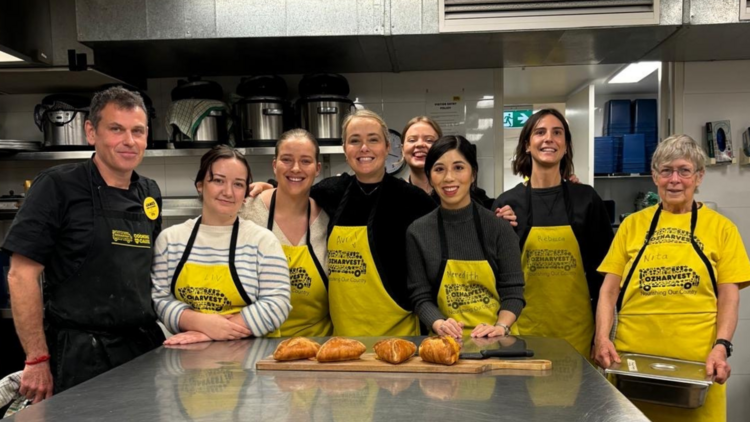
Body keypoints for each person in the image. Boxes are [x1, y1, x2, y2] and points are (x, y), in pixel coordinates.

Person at [2, 87, 165, 400]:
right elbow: (21, 275)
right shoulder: (57, 185)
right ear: (91, 132)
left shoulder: (149, 191)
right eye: (116, 129)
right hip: (80, 354)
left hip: (142, 349)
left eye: (137, 131)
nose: (129, 141)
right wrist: (36, 359)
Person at [593, 135, 750, 422]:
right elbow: (608, 291)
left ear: (699, 176)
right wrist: (602, 338)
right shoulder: (632, 225)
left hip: (698, 364)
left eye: (684, 170)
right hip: (633, 363)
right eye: (666, 171)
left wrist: (722, 346)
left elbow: (730, 295)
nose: (674, 179)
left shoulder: (722, 229)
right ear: (655, 176)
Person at [250, 109, 437, 336]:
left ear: (388, 147)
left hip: (400, 336)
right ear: (345, 150)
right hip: (342, 338)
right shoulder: (331, 191)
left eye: (373, 140)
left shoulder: (413, 200)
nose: (364, 148)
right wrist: (267, 187)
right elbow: (294, 189)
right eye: (355, 141)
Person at [492, 108, 613, 358]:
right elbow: (497, 274)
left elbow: (605, 275)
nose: (549, 138)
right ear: (527, 144)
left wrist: (602, 336)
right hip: (521, 331)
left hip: (578, 332)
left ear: (566, 146)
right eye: (540, 132)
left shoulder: (586, 199)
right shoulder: (507, 204)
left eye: (557, 133)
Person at [151, 146, 290, 345]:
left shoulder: (262, 242)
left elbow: (277, 304)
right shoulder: (170, 241)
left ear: (245, 192)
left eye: (238, 184)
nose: (228, 192)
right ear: (200, 185)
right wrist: (200, 322)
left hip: (253, 363)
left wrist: (212, 332)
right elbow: (159, 299)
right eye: (218, 181)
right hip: (188, 363)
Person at [406, 136, 525, 338]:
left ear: (473, 174)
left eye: (459, 167)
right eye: (439, 169)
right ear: (430, 176)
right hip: (444, 343)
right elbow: (420, 296)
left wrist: (500, 327)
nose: (449, 178)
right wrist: (439, 323)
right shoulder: (418, 231)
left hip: (498, 343)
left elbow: (513, 292)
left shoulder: (498, 228)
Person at [240, 129, 332, 337]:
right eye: (287, 160)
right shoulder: (247, 211)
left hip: (317, 351)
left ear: (318, 168)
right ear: (274, 165)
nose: (296, 168)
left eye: (305, 161)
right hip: (255, 347)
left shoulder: (329, 217)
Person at [400, 116, 494, 208]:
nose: (420, 144)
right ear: (402, 149)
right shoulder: (394, 193)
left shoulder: (465, 191)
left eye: (429, 140)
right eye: (412, 140)